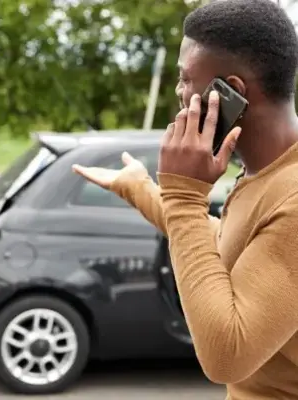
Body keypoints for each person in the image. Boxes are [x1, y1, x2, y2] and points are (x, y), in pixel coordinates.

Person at [72, 0, 298, 398]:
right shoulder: (269, 172)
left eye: (185, 78)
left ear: (231, 92)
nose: (179, 92)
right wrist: (140, 188)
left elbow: (227, 356)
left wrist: (184, 196)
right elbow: (234, 243)